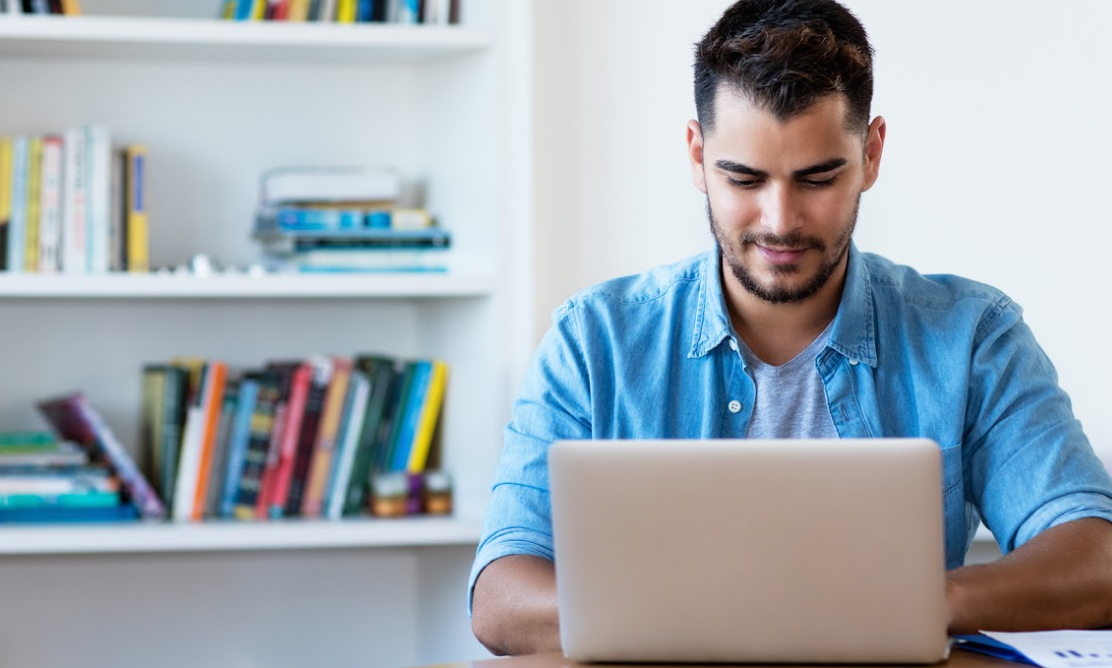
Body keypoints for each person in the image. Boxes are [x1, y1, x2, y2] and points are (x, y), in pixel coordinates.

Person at [468, 0, 1112, 657]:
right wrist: (728, 613)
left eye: (818, 178)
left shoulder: (973, 335)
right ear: (697, 156)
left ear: (871, 153)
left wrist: (917, 602)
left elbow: (1096, 559)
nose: (780, 220)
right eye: (744, 178)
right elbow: (499, 598)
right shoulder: (594, 341)